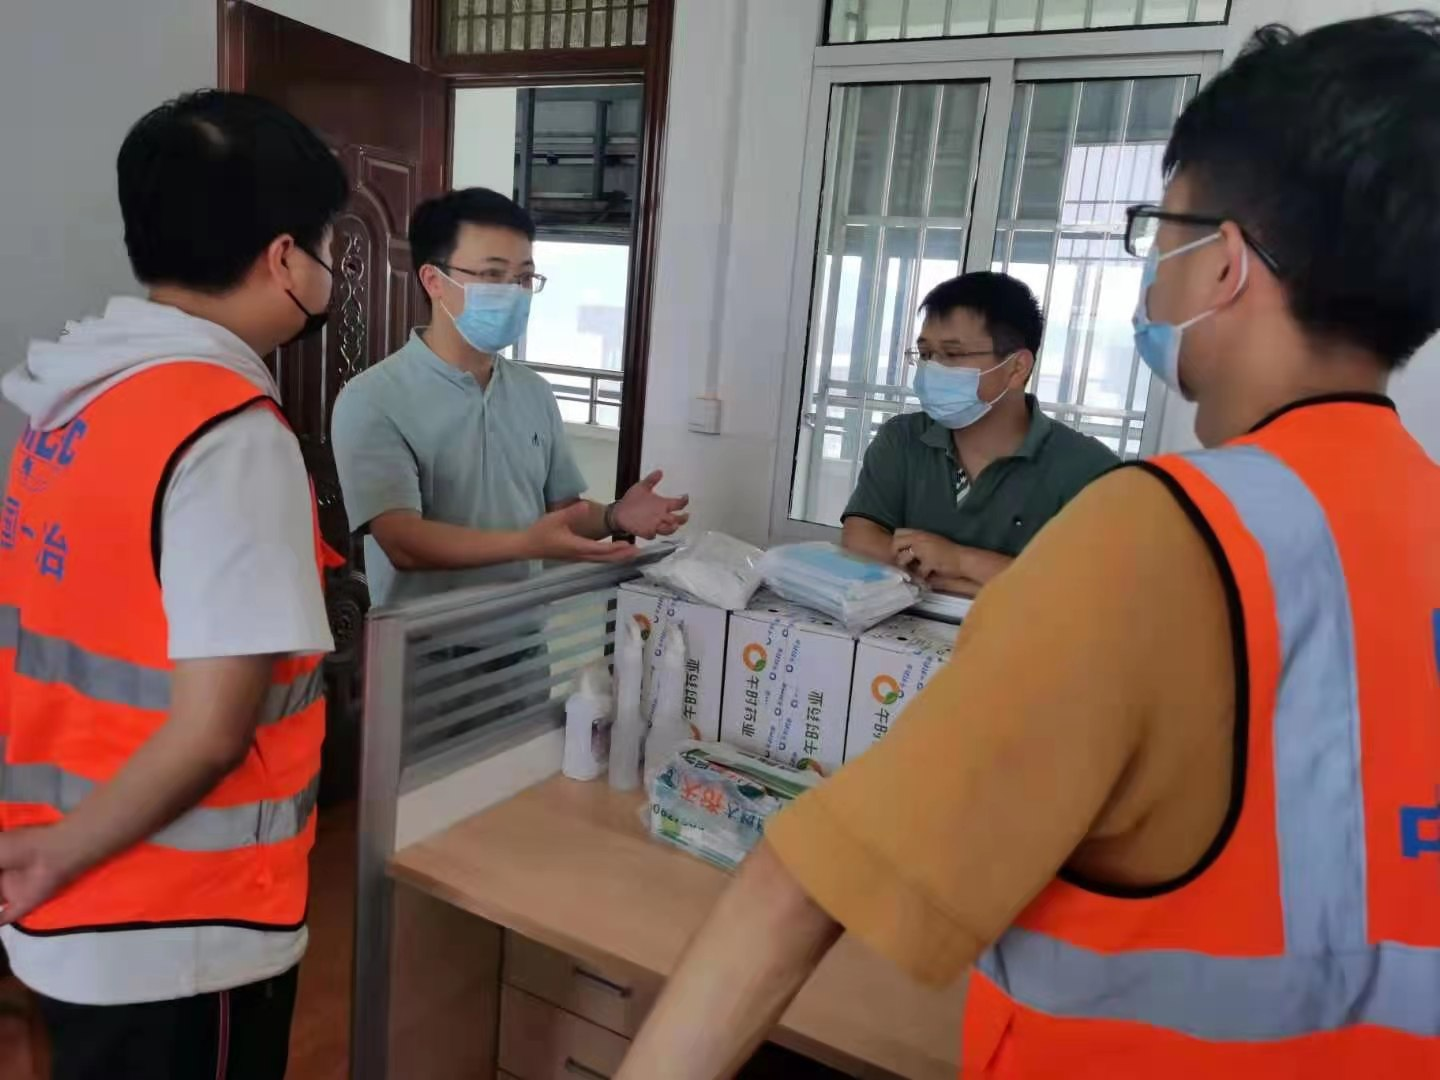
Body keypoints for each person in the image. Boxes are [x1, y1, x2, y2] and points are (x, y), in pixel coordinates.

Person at [618, 13, 1440, 1079]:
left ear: (1225, 263)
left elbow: (803, 885)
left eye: (1161, 230)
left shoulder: (1162, 530)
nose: (1153, 270)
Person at [0, 91, 343, 1079]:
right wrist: (59, 855)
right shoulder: (229, 436)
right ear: (286, 258)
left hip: (72, 884)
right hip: (179, 921)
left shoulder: (71, 399)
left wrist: (52, 854)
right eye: (328, 249)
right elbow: (213, 728)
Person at [331, 187, 688, 607]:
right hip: (425, 641)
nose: (514, 292)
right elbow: (403, 542)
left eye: (523, 278)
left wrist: (614, 515)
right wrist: (526, 544)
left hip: (525, 635)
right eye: (492, 275)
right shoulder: (373, 398)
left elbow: (562, 515)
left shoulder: (533, 392)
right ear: (434, 281)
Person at [841, 272, 1117, 596]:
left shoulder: (1088, 469)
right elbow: (859, 540)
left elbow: (1090, 587)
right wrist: (974, 581)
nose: (932, 369)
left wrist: (959, 560)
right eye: (926, 355)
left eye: (952, 354)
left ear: (1017, 368)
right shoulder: (902, 438)